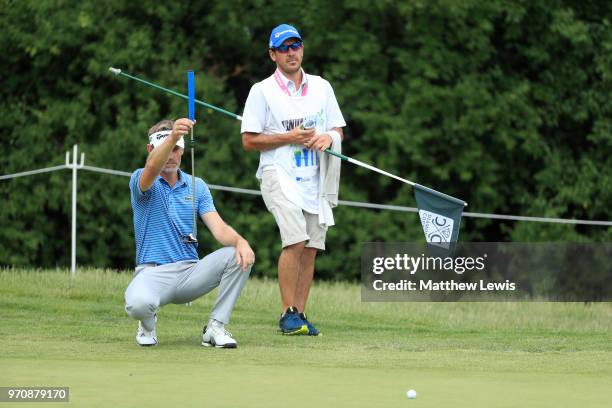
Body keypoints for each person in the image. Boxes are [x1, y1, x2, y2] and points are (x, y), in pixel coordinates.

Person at [241, 24, 346, 336]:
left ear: (302, 48)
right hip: (278, 174)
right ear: (272, 54)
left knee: (311, 247)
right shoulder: (262, 91)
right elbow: (249, 140)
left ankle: (300, 313)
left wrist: (328, 138)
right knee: (296, 239)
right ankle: (287, 313)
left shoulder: (322, 87)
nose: (291, 52)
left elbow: (337, 130)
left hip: (315, 176)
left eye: (295, 45)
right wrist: (290, 137)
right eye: (283, 48)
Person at [124, 118, 255, 348]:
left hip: (190, 272)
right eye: (165, 149)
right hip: (152, 273)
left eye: (176, 149)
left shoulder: (198, 186)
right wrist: (173, 136)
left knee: (238, 255)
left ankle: (215, 328)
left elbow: (220, 229)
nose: (171, 155)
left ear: (183, 150)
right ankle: (147, 324)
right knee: (137, 304)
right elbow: (152, 168)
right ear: (150, 150)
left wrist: (240, 240)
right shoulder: (140, 179)